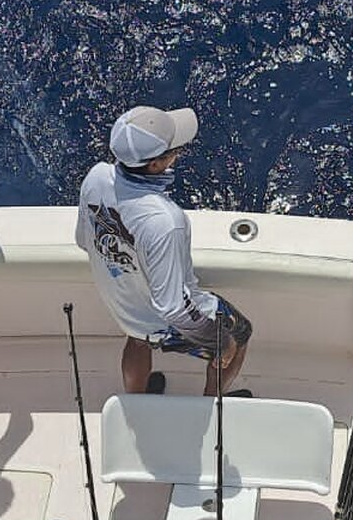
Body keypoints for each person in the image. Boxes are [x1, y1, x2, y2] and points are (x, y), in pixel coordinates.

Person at [75, 104, 253, 396]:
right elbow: (173, 309)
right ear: (156, 165)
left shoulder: (96, 177)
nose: (178, 153)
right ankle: (212, 402)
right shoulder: (166, 221)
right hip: (164, 321)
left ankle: (137, 400)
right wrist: (220, 342)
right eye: (173, 150)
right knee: (241, 333)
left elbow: (84, 240)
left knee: (137, 338)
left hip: (123, 307)